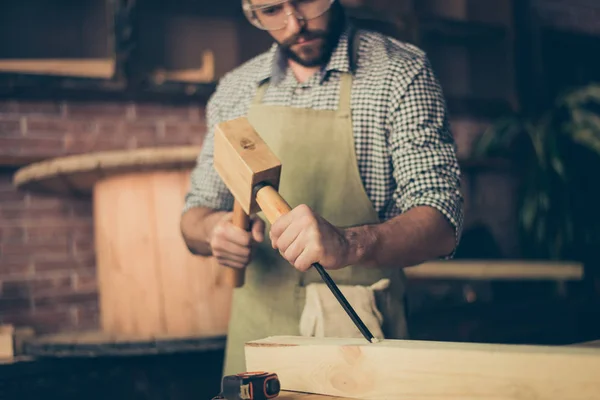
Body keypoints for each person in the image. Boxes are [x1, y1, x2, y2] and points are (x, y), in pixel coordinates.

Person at [180, 0, 464, 376]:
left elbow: (442, 222)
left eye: (305, 1)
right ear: (252, 12)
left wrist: (350, 244)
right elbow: (192, 217)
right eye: (271, 11)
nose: (295, 23)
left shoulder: (400, 73)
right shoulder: (235, 91)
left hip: (361, 342)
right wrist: (214, 231)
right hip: (257, 344)